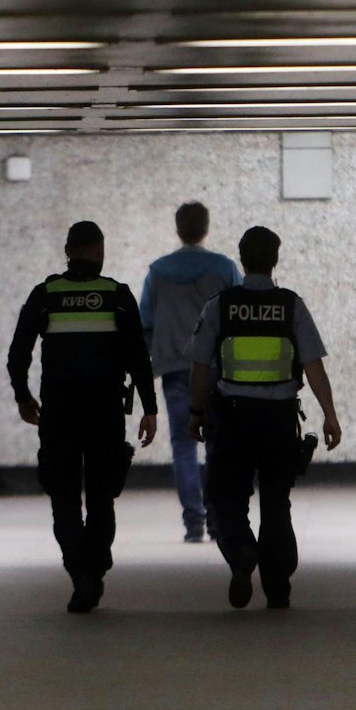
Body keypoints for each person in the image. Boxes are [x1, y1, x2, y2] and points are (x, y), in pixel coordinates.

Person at [8, 220, 159, 613]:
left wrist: (23, 396)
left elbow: (17, 354)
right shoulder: (117, 296)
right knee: (101, 496)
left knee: (63, 496)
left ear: (68, 250)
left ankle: (80, 575)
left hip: (58, 412)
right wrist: (150, 407)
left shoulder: (46, 295)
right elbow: (139, 359)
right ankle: (95, 569)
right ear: (99, 250)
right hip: (105, 410)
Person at [187, 226, 341, 610]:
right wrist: (330, 415)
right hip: (277, 420)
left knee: (227, 497)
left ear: (242, 259)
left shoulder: (218, 306)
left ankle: (241, 550)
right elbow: (313, 366)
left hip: (232, 419)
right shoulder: (292, 306)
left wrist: (197, 412)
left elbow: (200, 367)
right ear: (275, 259)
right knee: (276, 502)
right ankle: (278, 589)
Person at [139, 201, 243, 543]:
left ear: (178, 228)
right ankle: (216, 520)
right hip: (215, 370)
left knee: (183, 446)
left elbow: (146, 324)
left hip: (175, 370)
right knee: (216, 444)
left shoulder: (158, 271)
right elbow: (238, 317)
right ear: (206, 227)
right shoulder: (224, 268)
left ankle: (194, 523)